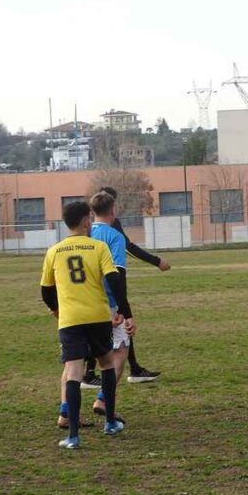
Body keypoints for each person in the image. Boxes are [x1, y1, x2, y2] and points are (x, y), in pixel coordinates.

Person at [41, 201, 132, 449]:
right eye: (89, 219)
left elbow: (46, 290)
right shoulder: (98, 247)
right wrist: (124, 312)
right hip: (98, 316)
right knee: (106, 363)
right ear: (84, 221)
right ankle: (110, 422)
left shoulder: (54, 251)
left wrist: (56, 310)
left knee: (73, 372)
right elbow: (114, 281)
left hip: (70, 319)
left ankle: (73, 436)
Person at [82, 185, 171, 385]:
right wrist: (157, 261)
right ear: (112, 208)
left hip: (85, 291)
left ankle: (86, 377)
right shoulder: (113, 231)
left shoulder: (86, 230)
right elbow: (127, 248)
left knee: (96, 329)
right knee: (120, 329)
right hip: (109, 287)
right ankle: (101, 388)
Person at [88, 191, 139, 422]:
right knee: (119, 353)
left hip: (80, 303)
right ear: (113, 210)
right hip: (107, 303)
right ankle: (103, 399)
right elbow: (115, 274)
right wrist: (121, 309)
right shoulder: (114, 236)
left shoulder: (83, 234)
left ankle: (66, 411)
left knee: (75, 359)